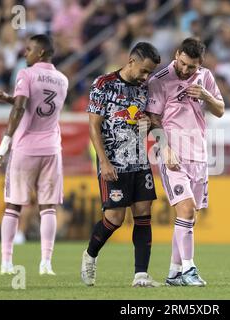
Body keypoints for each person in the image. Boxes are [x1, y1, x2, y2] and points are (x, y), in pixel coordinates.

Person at [80, 42, 161, 287]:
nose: (146, 76)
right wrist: (103, 161)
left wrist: (150, 123)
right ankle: (90, 255)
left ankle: (140, 275)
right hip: (113, 162)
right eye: (144, 70)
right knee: (114, 218)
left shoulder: (145, 88)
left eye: (150, 72)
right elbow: (94, 125)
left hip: (139, 160)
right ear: (131, 61)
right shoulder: (103, 84)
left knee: (143, 214)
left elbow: (152, 120)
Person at [146, 38, 225, 286]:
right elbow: (153, 118)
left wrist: (206, 96)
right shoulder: (160, 80)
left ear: (200, 64)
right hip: (173, 155)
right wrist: (164, 148)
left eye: (192, 67)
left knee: (190, 216)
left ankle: (173, 273)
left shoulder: (205, 77)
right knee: (186, 209)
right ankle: (190, 270)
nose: (186, 70)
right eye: (183, 63)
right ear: (177, 54)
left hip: (199, 154)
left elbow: (220, 109)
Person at [0, 34, 69, 275]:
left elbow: (22, 108)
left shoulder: (26, 74)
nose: (25, 53)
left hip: (25, 148)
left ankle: (6, 263)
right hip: (52, 149)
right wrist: (9, 99)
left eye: (29, 49)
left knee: (13, 206)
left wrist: (4, 145)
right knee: (48, 208)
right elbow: (38, 105)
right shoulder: (62, 79)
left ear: (41, 53)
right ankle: (46, 263)